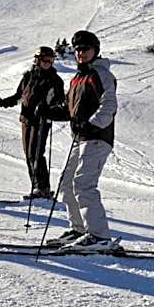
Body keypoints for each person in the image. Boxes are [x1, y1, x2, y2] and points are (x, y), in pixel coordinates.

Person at [39, 30, 119, 251]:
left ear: (95, 50)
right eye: (77, 50)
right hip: (80, 137)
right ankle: (79, 229)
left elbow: (109, 105)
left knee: (84, 184)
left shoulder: (101, 75)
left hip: (97, 137)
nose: (80, 53)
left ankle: (99, 236)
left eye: (85, 49)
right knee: (66, 184)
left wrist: (93, 123)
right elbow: (69, 109)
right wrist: (49, 112)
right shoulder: (77, 78)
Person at [0, 46, 65, 198]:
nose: (48, 63)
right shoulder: (28, 77)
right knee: (29, 154)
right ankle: (37, 187)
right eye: (45, 59)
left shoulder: (55, 80)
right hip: (26, 120)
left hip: (42, 121)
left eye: (51, 60)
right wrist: (2, 102)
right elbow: (19, 96)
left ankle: (42, 188)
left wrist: (48, 108)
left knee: (36, 153)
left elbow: (59, 101)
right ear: (37, 60)